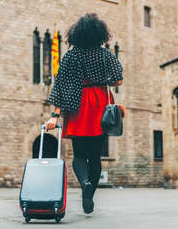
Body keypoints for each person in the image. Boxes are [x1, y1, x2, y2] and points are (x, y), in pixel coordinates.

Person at [46, 13, 123, 214]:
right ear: (100, 34)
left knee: (79, 153)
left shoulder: (71, 55)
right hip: (100, 103)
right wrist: (102, 80)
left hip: (77, 103)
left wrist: (55, 114)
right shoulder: (106, 54)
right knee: (95, 155)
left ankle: (85, 182)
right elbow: (118, 80)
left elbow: (60, 85)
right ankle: (88, 195)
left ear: (76, 34)